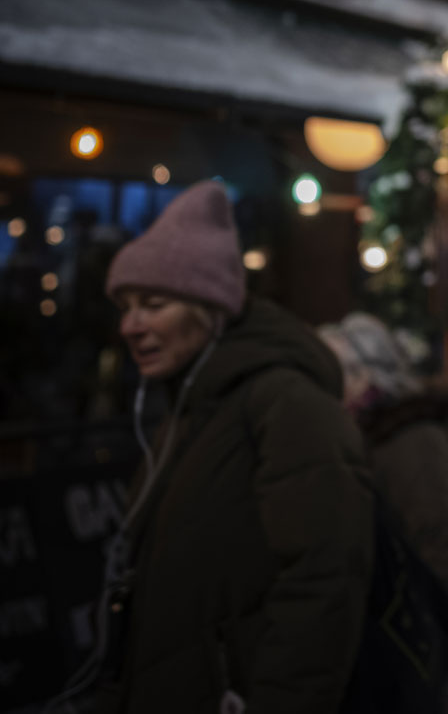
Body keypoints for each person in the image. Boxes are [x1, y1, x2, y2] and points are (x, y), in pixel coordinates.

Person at [53, 180, 374, 714]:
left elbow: (325, 582)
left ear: (210, 309)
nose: (130, 326)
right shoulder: (192, 405)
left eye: (153, 304)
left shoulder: (284, 405)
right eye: (125, 306)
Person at [320, 311, 448, 617]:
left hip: (409, 618)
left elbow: (440, 537)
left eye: (329, 374)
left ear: (362, 376)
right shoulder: (358, 431)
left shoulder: (411, 437)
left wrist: (442, 629)